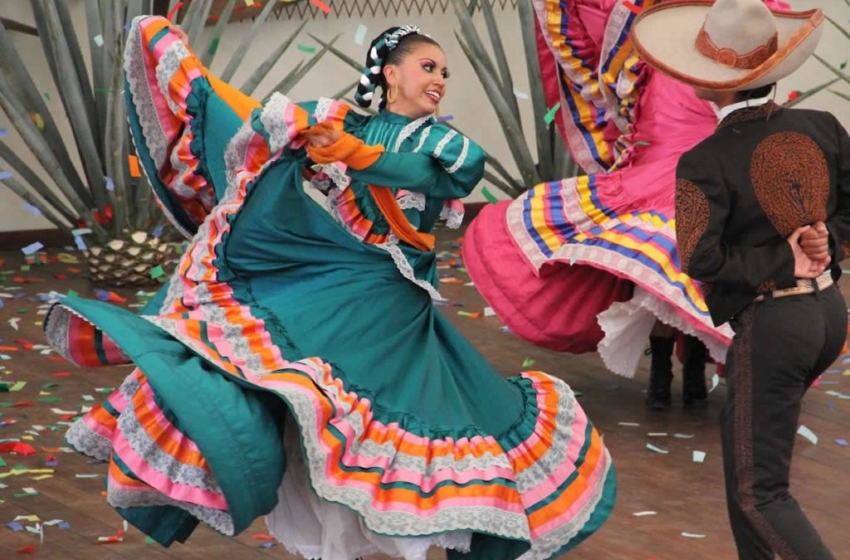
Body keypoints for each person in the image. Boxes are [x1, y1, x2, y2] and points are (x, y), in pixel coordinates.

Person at [42, 16, 616, 560]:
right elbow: (255, 125)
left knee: (393, 423)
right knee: (304, 398)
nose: (439, 80)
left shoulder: (445, 144)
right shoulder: (339, 118)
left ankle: (408, 535)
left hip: (394, 301)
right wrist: (205, 86)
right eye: (427, 67)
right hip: (341, 280)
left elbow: (420, 173)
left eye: (444, 72)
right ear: (390, 73)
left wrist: (350, 153)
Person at [631, 0, 843, 557]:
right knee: (743, 467)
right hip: (828, 316)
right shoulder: (823, 126)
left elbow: (700, 260)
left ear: (712, 84)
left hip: (777, 324)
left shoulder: (705, 159)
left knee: (758, 493)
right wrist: (827, 243)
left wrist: (788, 260)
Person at [462, 0, 741, 381]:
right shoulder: (675, 61)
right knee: (680, 264)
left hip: (676, 149)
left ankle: (669, 374)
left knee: (662, 266)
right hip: (681, 148)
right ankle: (680, 371)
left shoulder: (653, 60)